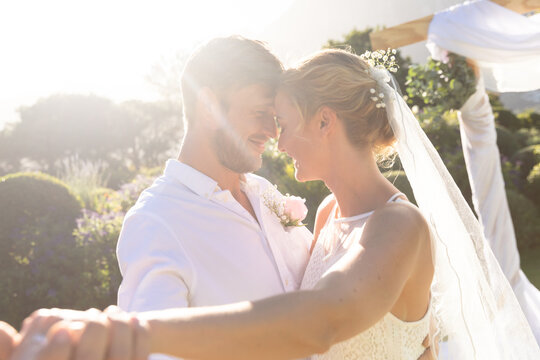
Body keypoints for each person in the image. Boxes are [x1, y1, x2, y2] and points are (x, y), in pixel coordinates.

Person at [0, 47, 452, 360]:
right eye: (264, 116)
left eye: (280, 120)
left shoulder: (389, 223)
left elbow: (326, 319)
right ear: (208, 105)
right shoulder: (161, 220)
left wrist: (128, 332)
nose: (274, 136)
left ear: (325, 121)